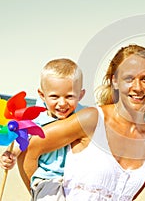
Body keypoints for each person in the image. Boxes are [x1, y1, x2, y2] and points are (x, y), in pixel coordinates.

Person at [18, 44, 145, 200]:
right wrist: (42, 194)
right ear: (115, 81)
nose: (137, 87)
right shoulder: (92, 119)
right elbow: (29, 150)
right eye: (129, 78)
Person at [0, 58, 86, 201]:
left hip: (77, 180)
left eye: (70, 96)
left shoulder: (83, 116)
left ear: (81, 95)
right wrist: (11, 155)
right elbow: (22, 139)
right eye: (54, 96)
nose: (62, 103)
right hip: (48, 180)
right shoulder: (37, 121)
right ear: (42, 95)